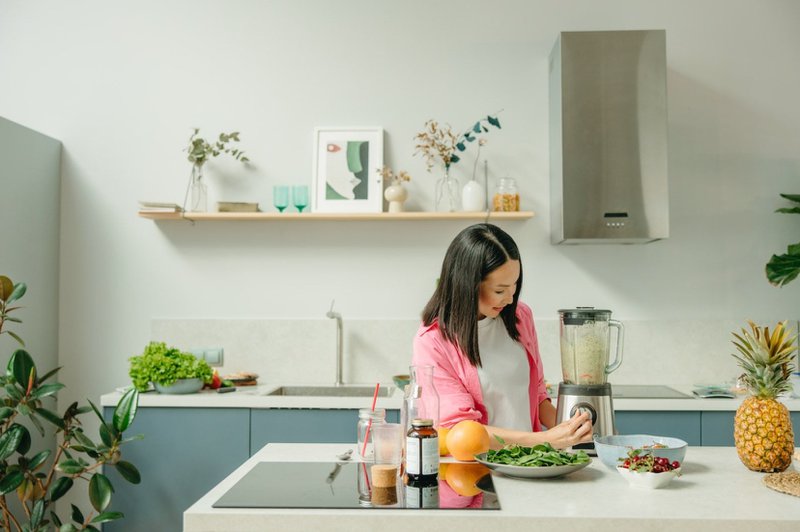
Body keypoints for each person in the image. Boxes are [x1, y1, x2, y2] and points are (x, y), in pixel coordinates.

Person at [411, 223, 593, 449]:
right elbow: (462, 430)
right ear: (467, 285)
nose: (509, 298)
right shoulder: (433, 341)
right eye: (499, 290)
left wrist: (572, 429)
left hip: (532, 463)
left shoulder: (520, 317)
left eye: (514, 286)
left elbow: (537, 394)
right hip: (477, 470)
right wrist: (546, 440)